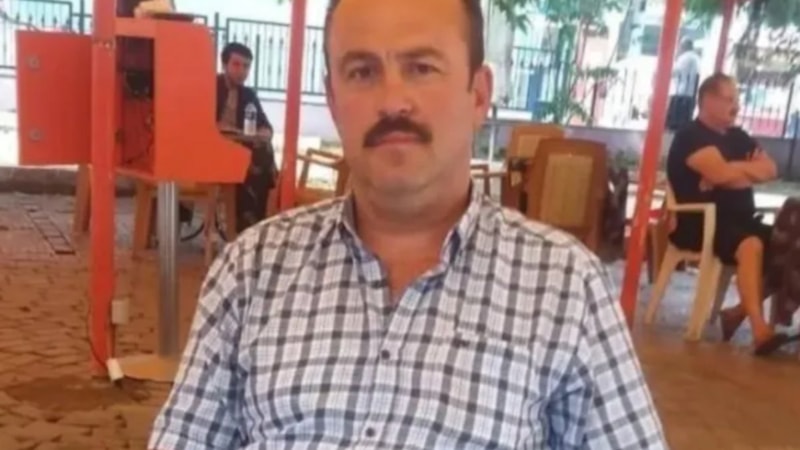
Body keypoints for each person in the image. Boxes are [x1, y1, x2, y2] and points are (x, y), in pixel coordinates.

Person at [148, 0, 667, 448]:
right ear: (333, 99)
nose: (392, 100)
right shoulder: (252, 269)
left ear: (478, 94)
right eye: (362, 72)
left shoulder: (565, 287)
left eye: (421, 67)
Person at [666, 73, 797, 355]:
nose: (736, 107)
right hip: (702, 222)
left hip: (743, 221)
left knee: (791, 248)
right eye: (729, 100)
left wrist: (732, 170)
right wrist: (742, 172)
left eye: (737, 100)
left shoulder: (738, 136)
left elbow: (770, 170)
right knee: (750, 244)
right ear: (708, 100)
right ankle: (760, 332)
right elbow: (721, 175)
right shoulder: (690, 136)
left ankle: (736, 313)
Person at [217, 42, 277, 232]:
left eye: (246, 66)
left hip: (239, 148)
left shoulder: (248, 95)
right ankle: (249, 223)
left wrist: (264, 133)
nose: (241, 71)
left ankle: (252, 222)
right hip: (213, 149)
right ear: (224, 64)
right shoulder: (211, 87)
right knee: (255, 159)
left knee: (262, 150)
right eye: (236, 64)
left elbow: (265, 126)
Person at [666, 39, 701, 131]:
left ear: (683, 46)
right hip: (691, 91)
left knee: (677, 115)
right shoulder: (696, 58)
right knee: (687, 115)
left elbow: (676, 72)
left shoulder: (684, 58)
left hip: (681, 90)